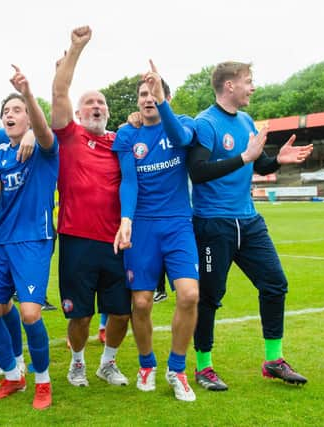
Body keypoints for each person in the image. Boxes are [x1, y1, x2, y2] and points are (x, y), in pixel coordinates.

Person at [189, 61, 312, 390]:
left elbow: (258, 164)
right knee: (210, 296)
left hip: (249, 220)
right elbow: (198, 172)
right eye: (248, 81)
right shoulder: (205, 124)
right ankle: (204, 367)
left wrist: (276, 161)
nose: (253, 87)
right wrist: (244, 157)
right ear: (229, 86)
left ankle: (273, 360)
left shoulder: (246, 121)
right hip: (214, 224)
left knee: (275, 283)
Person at [0, 65, 58, 410]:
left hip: (34, 239)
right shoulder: (0, 154)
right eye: (6, 111)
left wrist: (30, 99)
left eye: (16, 110)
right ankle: (12, 375)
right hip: (1, 240)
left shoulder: (46, 147)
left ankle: (43, 382)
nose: (9, 115)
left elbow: (46, 133)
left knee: (31, 314)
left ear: (30, 117)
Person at [113, 61, 199, 402]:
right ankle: (146, 363)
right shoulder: (127, 134)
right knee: (142, 302)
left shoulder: (183, 125)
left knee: (189, 294)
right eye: (144, 94)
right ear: (137, 101)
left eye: (155, 93)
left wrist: (164, 105)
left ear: (166, 96)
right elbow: (129, 181)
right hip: (143, 226)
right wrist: (126, 219)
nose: (149, 98)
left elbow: (179, 137)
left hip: (178, 223)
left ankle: (177, 369)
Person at [51, 26, 131, 387]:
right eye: (90, 103)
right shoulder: (69, 137)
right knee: (80, 316)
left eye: (102, 104)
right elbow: (59, 90)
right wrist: (75, 49)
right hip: (77, 240)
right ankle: (78, 363)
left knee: (121, 312)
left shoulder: (120, 142)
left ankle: (108, 363)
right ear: (79, 114)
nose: (96, 107)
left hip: (116, 241)